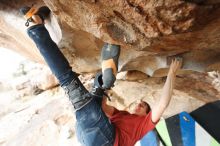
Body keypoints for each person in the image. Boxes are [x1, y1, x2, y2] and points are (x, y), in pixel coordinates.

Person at [20, 6, 181, 146]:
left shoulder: (143, 126)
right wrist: (104, 88)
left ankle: (35, 27)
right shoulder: (122, 115)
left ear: (146, 114)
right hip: (89, 133)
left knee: (67, 79)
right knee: (93, 93)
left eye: (143, 106)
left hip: (102, 138)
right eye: (140, 102)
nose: (139, 104)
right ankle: (101, 85)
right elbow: (104, 108)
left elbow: (163, 104)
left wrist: (172, 72)